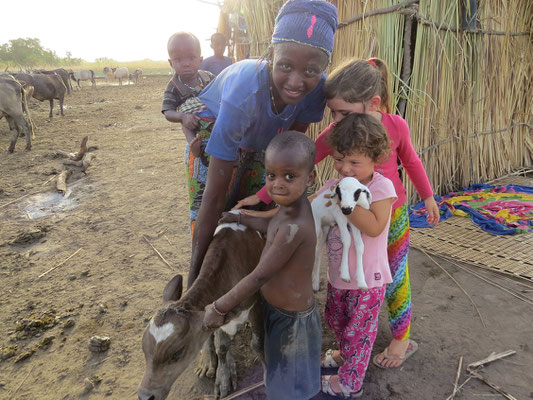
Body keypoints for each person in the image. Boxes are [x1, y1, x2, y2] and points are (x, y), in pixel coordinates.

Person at [237, 57, 441, 369]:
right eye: (333, 112)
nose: (337, 118)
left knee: (396, 276)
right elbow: (302, 161)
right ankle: (352, 338)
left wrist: (427, 197)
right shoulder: (335, 133)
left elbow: (411, 162)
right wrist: (262, 195)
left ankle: (401, 338)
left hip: (391, 214)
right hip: (346, 218)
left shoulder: (395, 126)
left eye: (344, 112)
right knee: (348, 277)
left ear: (372, 103)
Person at [187, 0, 338, 288]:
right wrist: (193, 285)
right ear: (270, 55)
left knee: (249, 209)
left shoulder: (318, 89)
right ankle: (200, 281)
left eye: (310, 71)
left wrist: (263, 193)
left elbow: (287, 147)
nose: (296, 81)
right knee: (208, 207)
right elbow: (214, 197)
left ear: (323, 69)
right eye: (285, 66)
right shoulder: (244, 92)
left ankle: (244, 279)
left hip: (262, 143)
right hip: (212, 134)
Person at [203, 131, 321, 400]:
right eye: (271, 176)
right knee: (279, 372)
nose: (278, 184)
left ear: (310, 178)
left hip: (291, 322)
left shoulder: (295, 226)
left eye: (289, 176)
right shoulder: (288, 209)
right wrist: (240, 218)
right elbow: (269, 224)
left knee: (289, 386)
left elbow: (258, 276)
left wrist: (219, 306)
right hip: (276, 310)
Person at [316, 113, 397, 398]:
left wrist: (346, 203)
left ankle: (350, 383)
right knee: (337, 319)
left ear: (374, 159)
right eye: (339, 160)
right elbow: (313, 211)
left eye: (354, 162)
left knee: (359, 331)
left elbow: (375, 227)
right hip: (338, 276)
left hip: (368, 280)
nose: (345, 169)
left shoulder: (380, 188)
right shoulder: (332, 185)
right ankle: (344, 354)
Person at [161, 32, 215, 158]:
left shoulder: (208, 77)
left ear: (200, 60)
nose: (185, 63)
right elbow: (168, 112)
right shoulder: (173, 86)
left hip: (214, 122)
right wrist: (182, 117)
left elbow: (221, 92)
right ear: (171, 63)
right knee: (185, 123)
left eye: (191, 57)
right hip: (193, 126)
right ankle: (193, 145)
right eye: (178, 59)